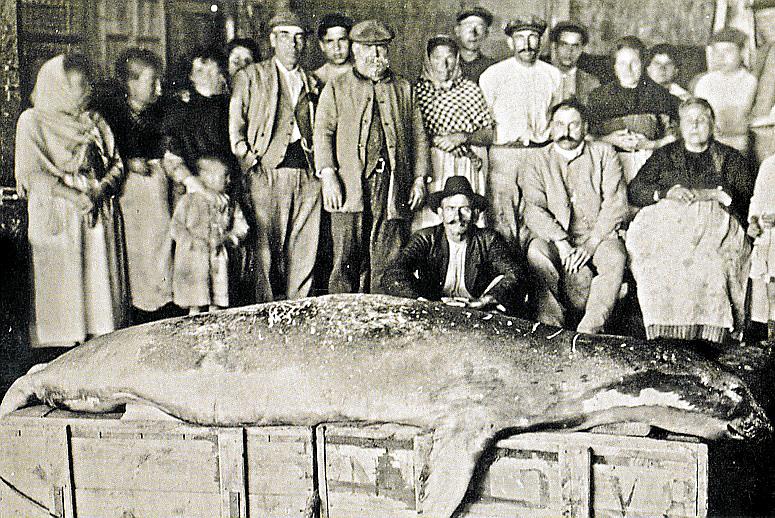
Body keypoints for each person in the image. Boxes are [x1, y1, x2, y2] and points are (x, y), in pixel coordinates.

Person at [14, 54, 129, 347]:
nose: (88, 90)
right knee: (63, 297)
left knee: (99, 301)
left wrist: (98, 190)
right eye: (80, 85)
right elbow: (31, 173)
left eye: (88, 84)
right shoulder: (32, 121)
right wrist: (73, 195)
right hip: (58, 210)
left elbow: (116, 163)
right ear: (59, 87)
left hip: (95, 208)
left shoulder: (95, 121)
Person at [314, 19, 429, 294]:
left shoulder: (404, 88)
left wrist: (420, 179)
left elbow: (419, 136)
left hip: (390, 183)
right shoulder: (336, 87)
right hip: (348, 184)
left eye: (381, 49)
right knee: (345, 259)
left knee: (388, 257)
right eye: (368, 49)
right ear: (355, 51)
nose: (376, 56)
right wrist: (328, 174)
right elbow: (322, 132)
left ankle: (382, 321)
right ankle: (341, 320)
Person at [627, 97, 752, 344]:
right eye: (688, 120)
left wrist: (716, 194)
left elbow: (747, 197)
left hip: (716, 232)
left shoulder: (730, 158)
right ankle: (665, 336)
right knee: (659, 264)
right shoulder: (665, 155)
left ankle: (709, 337)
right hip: (670, 231)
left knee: (712, 265)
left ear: (713, 124)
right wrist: (664, 193)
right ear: (680, 126)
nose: (695, 125)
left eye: (702, 119)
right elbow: (635, 189)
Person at [230, 11, 322, 302]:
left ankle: (298, 309)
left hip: (308, 174)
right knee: (265, 252)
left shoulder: (312, 81)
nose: (293, 44)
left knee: (305, 250)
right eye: (285, 36)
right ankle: (266, 311)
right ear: (273, 40)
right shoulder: (251, 76)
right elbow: (236, 125)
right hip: (267, 172)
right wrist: (250, 161)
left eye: (299, 37)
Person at [520, 100, 628, 334]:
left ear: (586, 128)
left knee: (615, 257)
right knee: (537, 253)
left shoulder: (604, 153)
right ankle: (550, 329)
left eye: (574, 125)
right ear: (550, 127)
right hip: (554, 237)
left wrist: (591, 244)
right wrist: (561, 242)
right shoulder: (536, 159)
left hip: (597, 236)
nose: (566, 132)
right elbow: (533, 209)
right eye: (560, 124)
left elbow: (615, 204)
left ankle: (589, 331)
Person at [91, 48, 177, 324]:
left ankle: (162, 306)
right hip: (130, 201)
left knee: (162, 254)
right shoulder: (110, 116)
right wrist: (129, 164)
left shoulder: (162, 113)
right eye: (153, 82)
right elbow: (103, 160)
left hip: (159, 201)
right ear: (130, 84)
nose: (160, 90)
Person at [382, 176, 526, 314]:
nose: (457, 217)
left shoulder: (488, 239)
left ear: (475, 214)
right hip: (434, 309)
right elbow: (393, 274)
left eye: (464, 209)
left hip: (477, 310)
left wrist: (483, 301)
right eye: (450, 208)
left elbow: (515, 274)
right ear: (440, 213)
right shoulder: (425, 238)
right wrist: (424, 302)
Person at [478, 15, 562, 247]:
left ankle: (535, 278)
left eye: (533, 37)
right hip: (503, 156)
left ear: (541, 42)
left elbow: (558, 118)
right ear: (510, 43)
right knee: (502, 220)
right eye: (520, 38)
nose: (527, 44)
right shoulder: (493, 75)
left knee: (536, 218)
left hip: (539, 153)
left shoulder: (553, 76)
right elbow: (483, 123)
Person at [413, 34, 494, 230]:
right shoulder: (417, 91)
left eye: (449, 57)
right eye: (437, 58)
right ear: (428, 60)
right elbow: (413, 133)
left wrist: (462, 137)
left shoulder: (470, 89)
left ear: (457, 59)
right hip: (435, 165)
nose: (444, 64)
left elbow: (488, 133)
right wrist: (438, 140)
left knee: (466, 219)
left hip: (466, 164)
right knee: (433, 219)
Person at [587, 36, 677, 184]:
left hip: (651, 166)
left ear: (643, 65)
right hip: (608, 166)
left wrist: (650, 144)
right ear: (614, 67)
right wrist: (609, 139)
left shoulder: (659, 94)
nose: (628, 69)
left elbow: (674, 137)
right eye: (622, 63)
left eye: (634, 63)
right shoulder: (598, 96)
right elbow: (586, 136)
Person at [171, 157, 248, 315]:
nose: (229, 180)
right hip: (193, 259)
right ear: (207, 178)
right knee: (196, 299)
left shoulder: (229, 202)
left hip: (218, 257)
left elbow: (242, 226)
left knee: (217, 299)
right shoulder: (188, 201)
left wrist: (229, 238)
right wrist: (191, 242)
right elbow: (176, 227)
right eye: (224, 176)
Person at [693, 28, 757, 154]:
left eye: (728, 51)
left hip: (741, 146)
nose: (721, 57)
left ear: (742, 52)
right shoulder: (705, 82)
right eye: (717, 51)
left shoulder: (750, 81)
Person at [748, 155, 775, 340]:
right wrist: (753, 220)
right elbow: (756, 200)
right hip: (768, 237)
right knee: (769, 288)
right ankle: (771, 335)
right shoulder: (768, 165)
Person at [548, 21, 600, 104]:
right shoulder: (540, 77)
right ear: (555, 46)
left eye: (575, 46)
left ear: (582, 49)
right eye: (564, 44)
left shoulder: (591, 83)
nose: (569, 51)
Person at [454, 6, 496, 83]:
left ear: (486, 33)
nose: (473, 33)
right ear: (457, 31)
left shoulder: (493, 68)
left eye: (479, 27)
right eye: (468, 26)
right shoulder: (446, 64)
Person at [313, 13, 353, 85]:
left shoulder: (363, 73)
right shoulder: (314, 78)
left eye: (342, 39)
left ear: (350, 41)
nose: (337, 47)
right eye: (330, 41)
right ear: (322, 45)